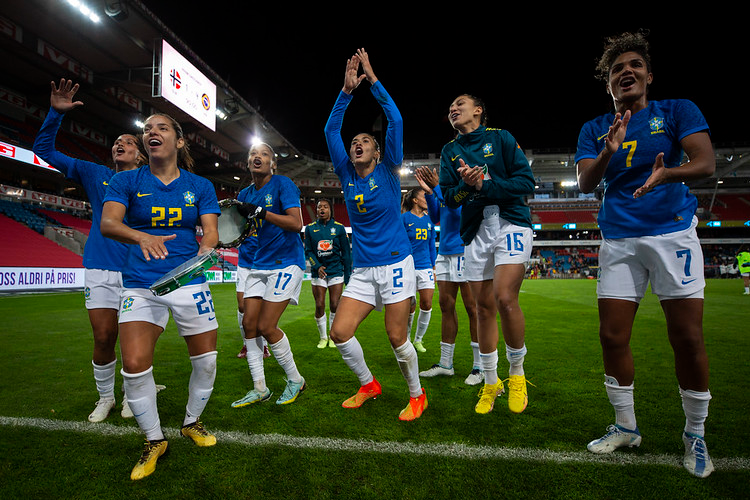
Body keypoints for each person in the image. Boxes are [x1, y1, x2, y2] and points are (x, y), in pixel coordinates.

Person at [575, 31, 716, 478]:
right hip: (618, 239)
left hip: (672, 234)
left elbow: (706, 163)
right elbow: (584, 183)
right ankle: (626, 425)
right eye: (617, 70)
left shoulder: (677, 110)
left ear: (649, 76)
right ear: (609, 85)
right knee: (613, 337)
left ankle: (695, 434)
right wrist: (608, 152)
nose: (626, 72)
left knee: (688, 339)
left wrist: (667, 174)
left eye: (634, 65)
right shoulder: (595, 128)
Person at [100, 112, 221, 480]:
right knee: (134, 364)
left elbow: (211, 233)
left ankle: (191, 421)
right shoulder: (126, 180)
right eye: (147, 128)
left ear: (179, 141)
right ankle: (154, 439)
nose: (152, 132)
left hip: (188, 282)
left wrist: (204, 251)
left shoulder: (200, 186)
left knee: (207, 362)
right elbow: (109, 223)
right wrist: (143, 237)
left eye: (161, 127)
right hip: (140, 283)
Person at [32, 78, 153, 423]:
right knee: (103, 337)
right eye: (117, 142)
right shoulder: (94, 173)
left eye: (129, 142)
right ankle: (106, 398)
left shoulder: (151, 181)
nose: (120, 144)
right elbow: (44, 150)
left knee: (134, 341)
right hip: (99, 266)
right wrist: (55, 114)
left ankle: (135, 394)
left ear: (141, 155)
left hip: (136, 270)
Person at [324, 48, 426, 421]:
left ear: (378, 152)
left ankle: (417, 395)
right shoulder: (346, 174)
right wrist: (346, 91)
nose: (356, 144)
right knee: (339, 332)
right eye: (354, 142)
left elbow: (394, 117)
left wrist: (373, 78)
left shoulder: (388, 171)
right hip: (365, 270)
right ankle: (369, 383)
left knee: (397, 337)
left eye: (364, 141)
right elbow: (331, 129)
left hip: (397, 264)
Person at [438, 94, 535, 415]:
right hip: (475, 232)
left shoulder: (501, 138)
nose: (453, 109)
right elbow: (450, 198)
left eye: (460, 104)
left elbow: (526, 181)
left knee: (505, 297)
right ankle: (491, 382)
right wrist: (468, 186)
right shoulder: (450, 151)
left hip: (512, 224)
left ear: (478, 110)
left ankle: (517, 374)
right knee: (482, 309)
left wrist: (483, 186)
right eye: (450, 107)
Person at [230, 142, 307, 408]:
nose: (257, 157)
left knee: (266, 326)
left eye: (264, 154)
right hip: (258, 263)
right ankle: (259, 387)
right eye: (253, 153)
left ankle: (296, 379)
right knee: (248, 326)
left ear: (272, 163)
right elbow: (243, 229)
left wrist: (263, 212)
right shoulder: (245, 193)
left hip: (286, 263)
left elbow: (297, 224)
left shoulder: (283, 184)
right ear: (248, 162)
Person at [414, 166, 482, 385]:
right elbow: (435, 217)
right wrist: (430, 193)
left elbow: (461, 212)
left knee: (473, 308)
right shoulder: (440, 188)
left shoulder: (469, 185)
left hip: (465, 249)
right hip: (444, 253)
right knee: (446, 305)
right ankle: (446, 364)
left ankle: (479, 366)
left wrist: (437, 190)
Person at [305, 198, 352, 348]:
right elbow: (309, 251)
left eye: (325, 207)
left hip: (336, 270)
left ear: (330, 210)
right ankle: (323, 337)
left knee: (334, 304)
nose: (322, 209)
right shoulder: (310, 228)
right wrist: (317, 266)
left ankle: (332, 336)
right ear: (316, 210)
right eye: (319, 207)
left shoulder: (339, 228)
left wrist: (347, 275)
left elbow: (345, 253)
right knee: (319, 305)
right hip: (318, 272)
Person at [400, 187, 436, 353]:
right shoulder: (404, 219)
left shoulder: (429, 221)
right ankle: (406, 339)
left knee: (427, 303)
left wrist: (433, 267)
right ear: (415, 200)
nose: (427, 199)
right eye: (424, 196)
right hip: (408, 267)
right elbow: (399, 243)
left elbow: (431, 246)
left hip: (426, 267)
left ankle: (418, 340)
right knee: (410, 305)